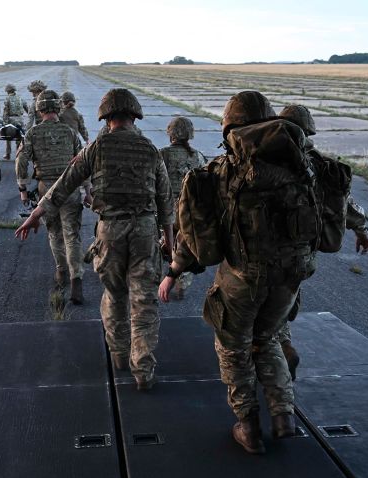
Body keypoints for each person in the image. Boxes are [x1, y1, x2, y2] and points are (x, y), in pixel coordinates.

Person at [160, 91, 312, 454]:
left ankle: (248, 425)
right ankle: (283, 415)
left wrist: (174, 271)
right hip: (290, 277)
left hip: (243, 278)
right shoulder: (302, 168)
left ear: (230, 126)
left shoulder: (218, 173)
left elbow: (194, 234)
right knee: (270, 337)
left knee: (233, 347)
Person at [16, 88, 174, 391]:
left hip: (110, 232)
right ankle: (143, 369)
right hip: (144, 232)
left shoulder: (97, 148)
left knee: (115, 295)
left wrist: (36, 214)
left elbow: (64, 184)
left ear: (106, 115)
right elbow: (166, 203)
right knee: (144, 301)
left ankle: (118, 354)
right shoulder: (150, 149)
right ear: (134, 114)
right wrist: (169, 242)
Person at [274, 104, 368, 380]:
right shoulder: (322, 165)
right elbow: (344, 205)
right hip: (302, 255)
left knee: (255, 313)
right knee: (281, 304)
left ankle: (274, 362)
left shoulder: (260, 157)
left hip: (260, 249)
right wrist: (362, 230)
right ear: (308, 131)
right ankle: (282, 349)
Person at [15, 90, 86, 303]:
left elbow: (21, 162)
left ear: (39, 109)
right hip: (70, 188)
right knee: (72, 235)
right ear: (57, 108)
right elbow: (82, 162)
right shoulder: (70, 132)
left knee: (54, 232)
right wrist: (87, 189)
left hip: (46, 189)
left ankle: (61, 271)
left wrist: (23, 188)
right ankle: (77, 280)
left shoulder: (32, 133)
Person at [159, 116, 206, 300]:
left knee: (162, 243)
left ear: (171, 134)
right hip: (189, 211)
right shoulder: (199, 156)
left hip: (167, 209)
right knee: (184, 245)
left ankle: (161, 278)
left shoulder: (162, 154)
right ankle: (181, 282)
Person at [1, 83, 29, 160]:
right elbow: (27, 108)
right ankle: (18, 154)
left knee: (8, 137)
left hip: (11, 119)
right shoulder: (20, 97)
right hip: (20, 119)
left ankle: (8, 154)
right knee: (19, 137)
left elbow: (6, 111)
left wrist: (4, 123)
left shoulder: (7, 98)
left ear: (7, 91)